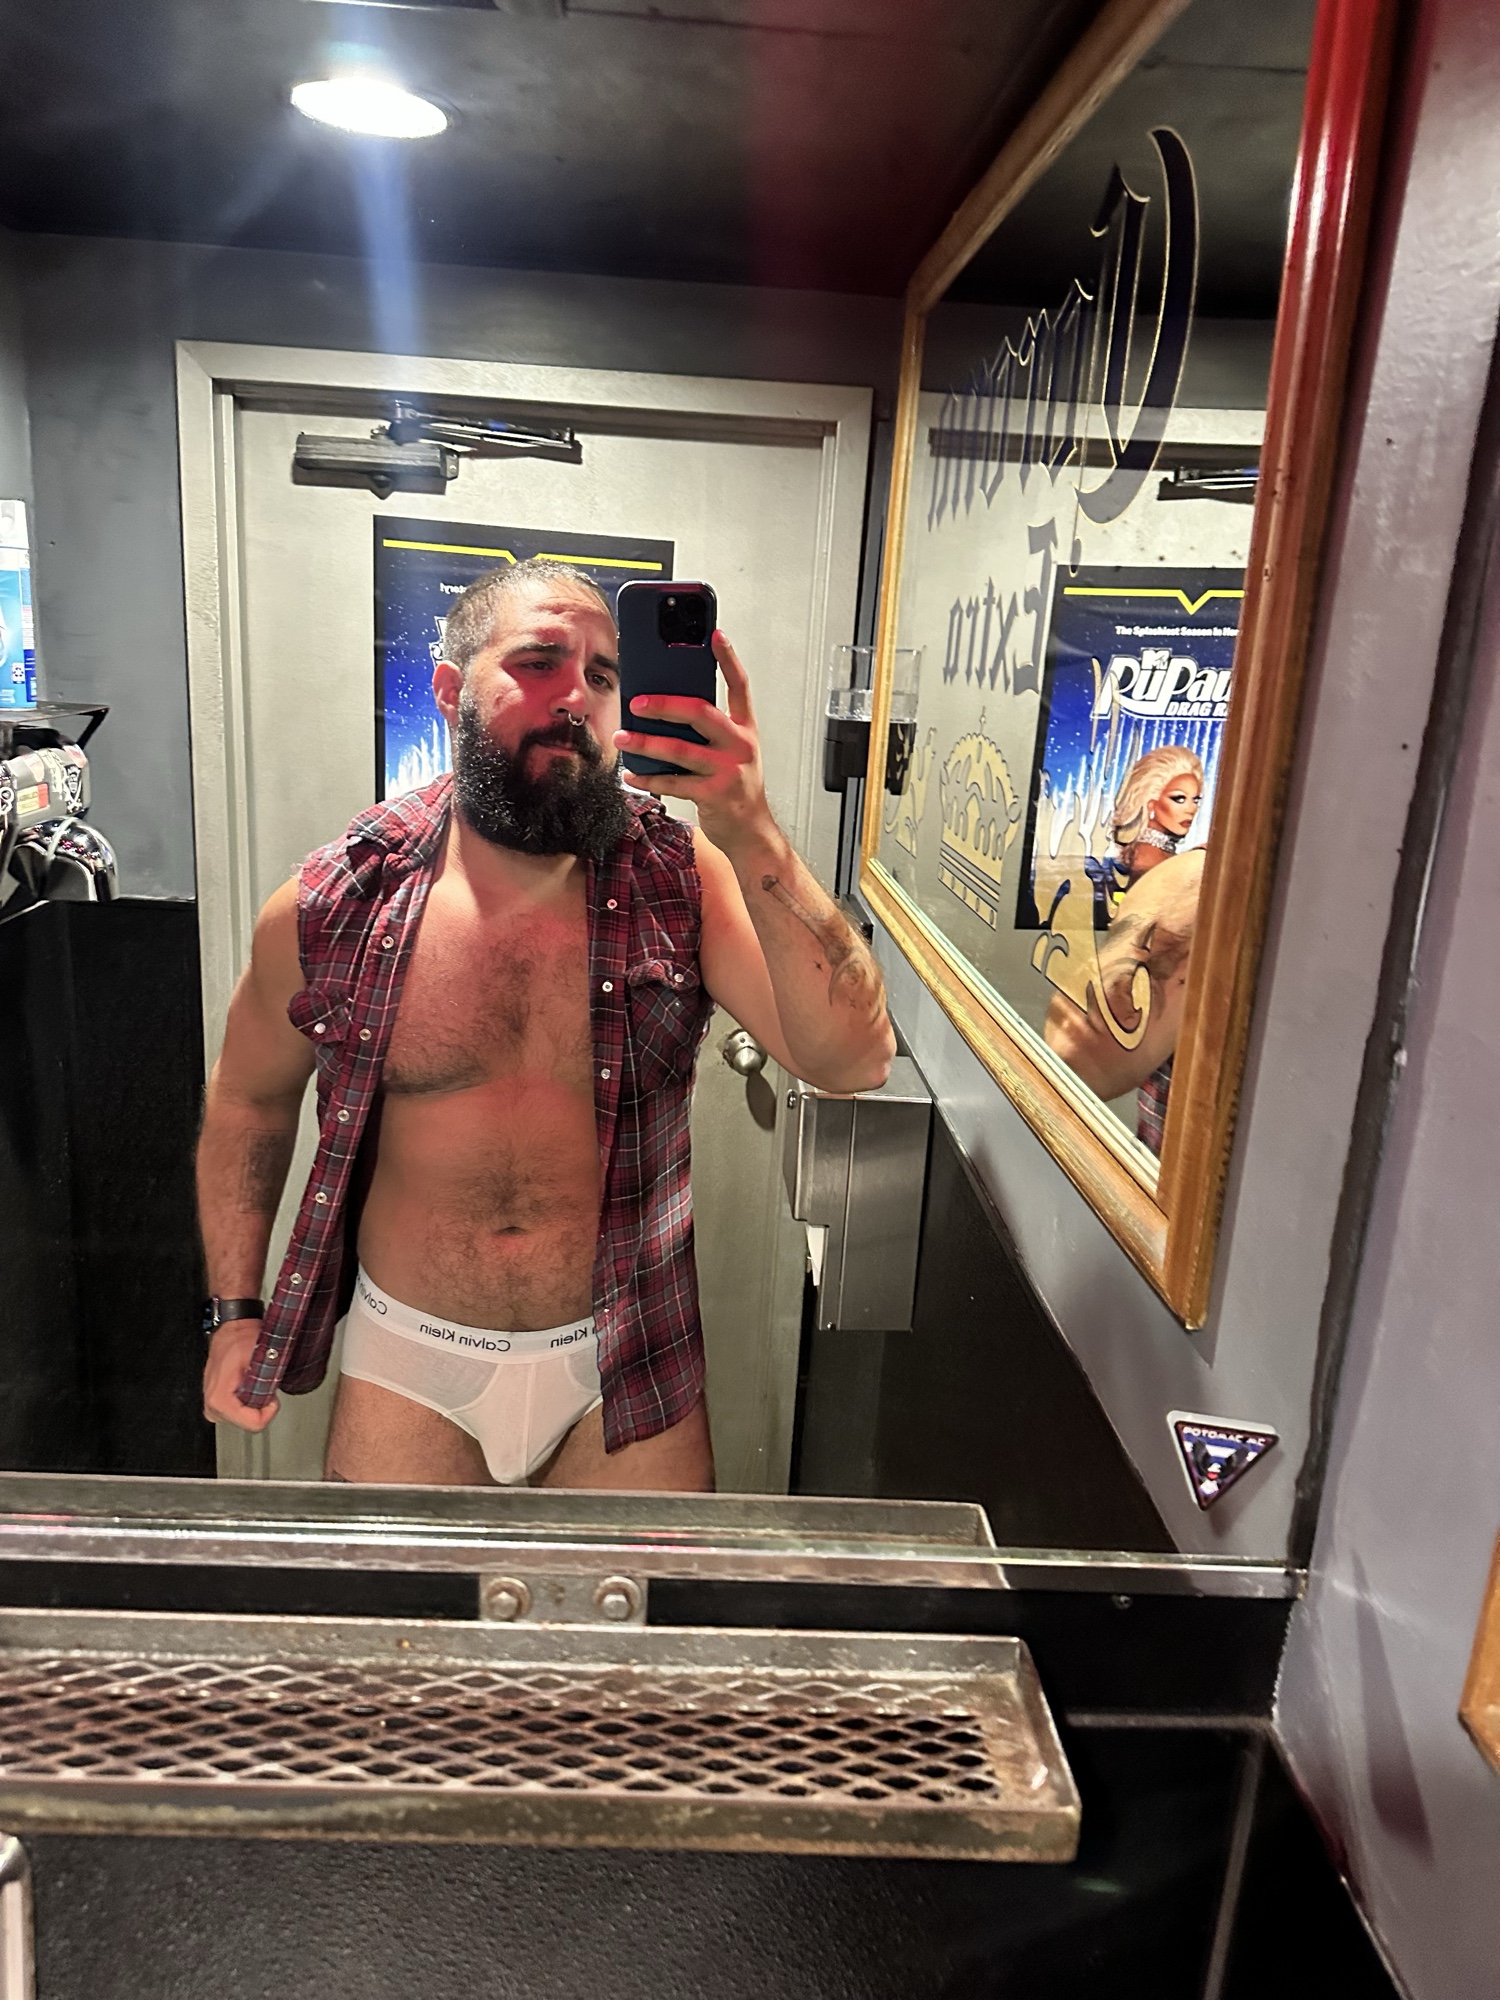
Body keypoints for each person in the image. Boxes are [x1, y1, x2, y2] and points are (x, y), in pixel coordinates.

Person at [198, 559, 894, 1490]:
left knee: (633, 1593)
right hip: (410, 1359)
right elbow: (249, 1098)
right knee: (402, 1594)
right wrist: (233, 1311)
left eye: (603, 675)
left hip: (626, 1361)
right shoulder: (339, 899)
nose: (575, 696)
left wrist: (750, 825)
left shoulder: (684, 877)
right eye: (538, 662)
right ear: (450, 690)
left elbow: (854, 1060)